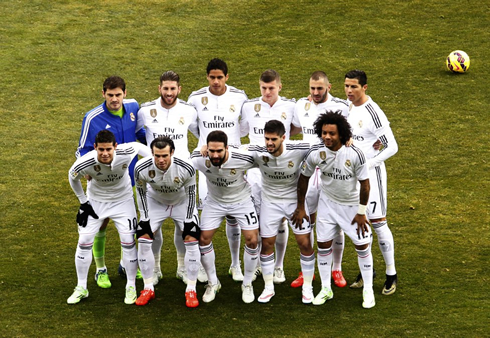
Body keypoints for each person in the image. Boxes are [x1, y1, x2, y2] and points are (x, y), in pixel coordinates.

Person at [292, 112, 375, 308]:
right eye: (324, 133)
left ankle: (368, 289)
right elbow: (303, 178)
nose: (327, 137)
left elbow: (365, 185)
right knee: (322, 246)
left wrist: (362, 212)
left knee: (362, 246)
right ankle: (326, 288)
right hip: (327, 205)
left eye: (332, 133)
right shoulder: (316, 153)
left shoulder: (355, 153)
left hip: (352, 207)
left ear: (342, 134)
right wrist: (301, 207)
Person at [76, 75, 146, 289]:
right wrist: (87, 170)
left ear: (125, 93)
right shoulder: (92, 118)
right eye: (110, 95)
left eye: (118, 95)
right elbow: (82, 149)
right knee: (101, 223)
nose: (114, 99)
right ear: (103, 94)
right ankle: (100, 269)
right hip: (102, 180)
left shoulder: (134, 107)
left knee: (129, 223)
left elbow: (139, 134)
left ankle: (126, 264)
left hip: (129, 175)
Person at [136, 70, 204, 286]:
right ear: (159, 88)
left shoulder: (189, 110)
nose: (169, 93)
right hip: (155, 176)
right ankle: (154, 269)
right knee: (152, 229)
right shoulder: (146, 111)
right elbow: (137, 134)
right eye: (165, 88)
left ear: (179, 89)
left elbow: (198, 133)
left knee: (183, 226)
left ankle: (183, 268)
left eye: (173, 89)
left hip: (182, 177)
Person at [67, 130, 151, 305]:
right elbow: (72, 176)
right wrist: (83, 202)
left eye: (108, 149)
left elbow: (146, 151)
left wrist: (158, 163)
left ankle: (131, 286)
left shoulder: (127, 151)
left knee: (128, 241)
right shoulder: (85, 161)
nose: (105, 154)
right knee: (84, 242)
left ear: (116, 147)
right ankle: (81, 287)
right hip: (96, 202)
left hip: (123, 201)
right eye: (101, 150)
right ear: (95, 148)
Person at [188, 58, 249, 282]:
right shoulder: (195, 98)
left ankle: (235, 264)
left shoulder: (239, 96)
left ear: (227, 77)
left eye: (219, 77)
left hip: (233, 162)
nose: (215, 81)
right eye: (212, 77)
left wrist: (232, 145)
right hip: (207, 163)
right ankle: (204, 266)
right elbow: (194, 125)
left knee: (233, 215)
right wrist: (205, 144)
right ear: (207, 77)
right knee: (206, 212)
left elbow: (245, 124)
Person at [290, 71, 350, 289]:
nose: (315, 93)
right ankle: (307, 269)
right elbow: (293, 127)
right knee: (306, 219)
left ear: (329, 87)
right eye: (312, 88)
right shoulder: (300, 105)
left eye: (319, 88)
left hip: (332, 171)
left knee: (336, 221)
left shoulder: (342, 107)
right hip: (307, 170)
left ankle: (336, 268)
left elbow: (354, 133)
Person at [246, 120, 314, 304]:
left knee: (305, 243)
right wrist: (205, 147)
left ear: (284, 137)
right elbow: (232, 150)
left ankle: (308, 287)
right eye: (267, 138)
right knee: (266, 244)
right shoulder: (257, 151)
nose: (269, 143)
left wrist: (348, 141)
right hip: (270, 202)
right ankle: (269, 288)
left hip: (294, 201)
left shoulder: (298, 148)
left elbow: (324, 143)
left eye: (274, 139)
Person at [240, 69, 297, 284]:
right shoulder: (248, 107)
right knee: (256, 219)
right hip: (256, 172)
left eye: (271, 88)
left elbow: (296, 129)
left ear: (279, 87)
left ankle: (279, 266)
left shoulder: (291, 107)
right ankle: (256, 267)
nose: (267, 92)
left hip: (282, 171)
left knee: (280, 218)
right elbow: (242, 131)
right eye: (263, 88)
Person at [345, 69, 398, 295]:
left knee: (378, 223)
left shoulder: (372, 112)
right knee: (358, 222)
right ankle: (367, 271)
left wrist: (371, 163)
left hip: (371, 177)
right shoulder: (350, 106)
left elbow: (392, 146)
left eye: (354, 87)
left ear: (364, 87)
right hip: (352, 177)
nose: (349, 90)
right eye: (346, 86)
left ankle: (391, 274)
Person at [190, 131, 259, 304]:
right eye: (211, 150)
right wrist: (201, 148)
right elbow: (190, 158)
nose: (214, 155)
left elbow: (262, 159)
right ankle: (213, 283)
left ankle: (247, 283)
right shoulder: (201, 159)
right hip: (214, 202)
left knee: (252, 240)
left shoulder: (243, 158)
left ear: (227, 148)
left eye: (219, 151)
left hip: (242, 201)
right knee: (203, 239)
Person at [134, 136, 201, 308]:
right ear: (152, 153)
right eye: (157, 155)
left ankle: (190, 289)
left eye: (164, 155)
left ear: (172, 152)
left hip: (182, 202)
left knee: (192, 238)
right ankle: (148, 287)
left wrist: (188, 220)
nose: (161, 160)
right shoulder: (141, 168)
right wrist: (145, 217)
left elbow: (192, 194)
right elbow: (141, 193)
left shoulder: (186, 167)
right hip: (155, 202)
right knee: (143, 237)